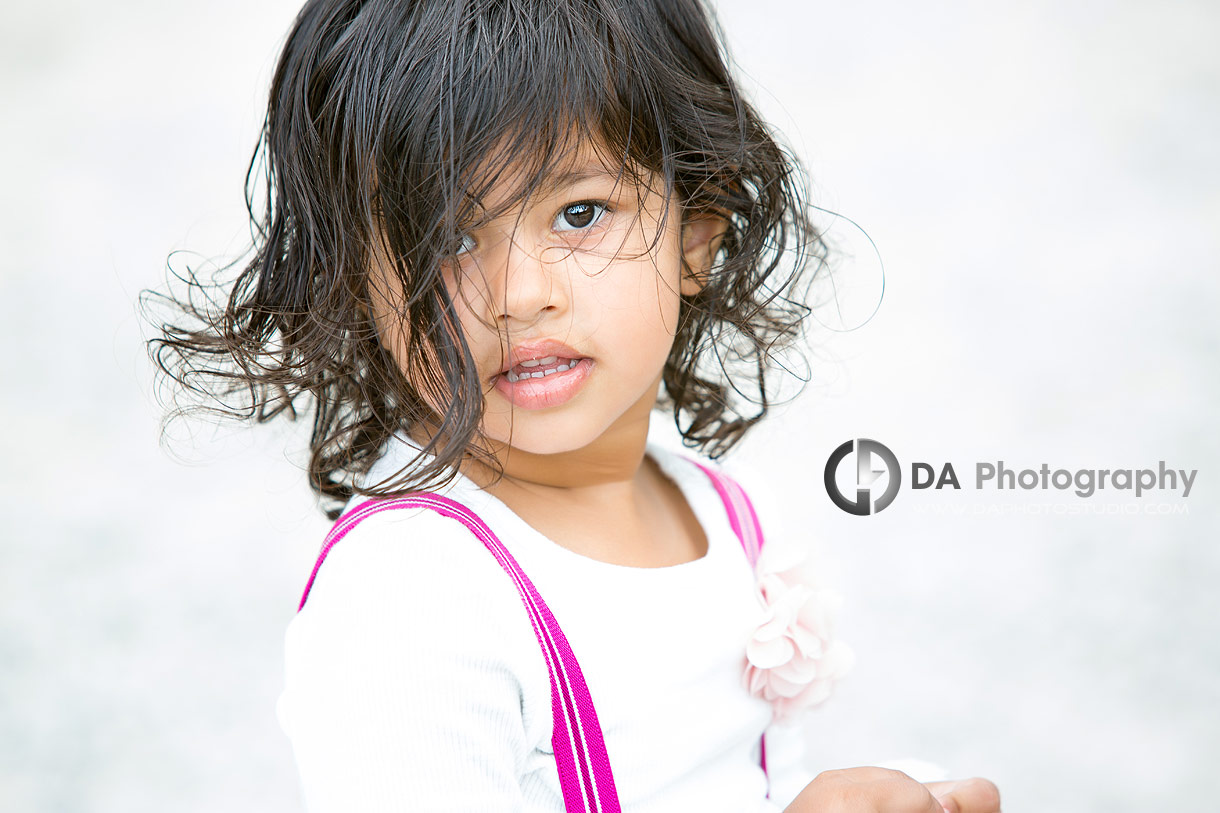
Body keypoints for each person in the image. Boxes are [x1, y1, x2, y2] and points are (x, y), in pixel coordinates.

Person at [148, 0, 1001, 810]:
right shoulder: (414, 600)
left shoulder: (717, 508)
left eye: (579, 213)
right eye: (446, 238)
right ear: (354, 286)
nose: (521, 294)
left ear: (696, 235)